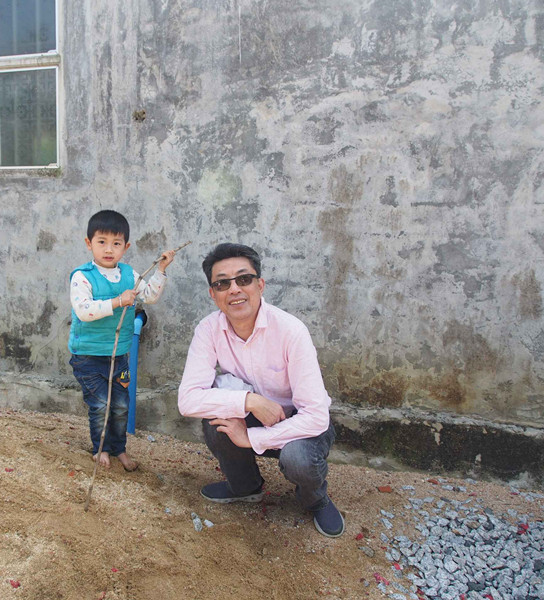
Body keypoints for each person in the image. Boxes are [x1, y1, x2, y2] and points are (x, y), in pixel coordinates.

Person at [178, 243, 345, 537]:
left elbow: (317, 416)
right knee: (217, 421)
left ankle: (315, 499)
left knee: (298, 458)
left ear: (260, 285)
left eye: (244, 279)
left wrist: (251, 438)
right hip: (255, 413)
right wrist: (250, 401)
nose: (234, 289)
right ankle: (245, 487)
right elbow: (188, 400)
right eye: (222, 283)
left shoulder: (291, 331)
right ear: (213, 294)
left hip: (300, 423)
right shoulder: (208, 330)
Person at [69, 210, 175, 472]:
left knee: (120, 406)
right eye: (102, 242)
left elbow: (149, 296)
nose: (109, 249)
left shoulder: (129, 275)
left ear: (125, 247)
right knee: (100, 405)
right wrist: (118, 301)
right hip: (89, 356)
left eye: (116, 243)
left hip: (119, 356)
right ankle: (101, 448)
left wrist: (160, 270)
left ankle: (120, 449)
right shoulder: (82, 276)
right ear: (89, 243)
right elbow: (84, 311)